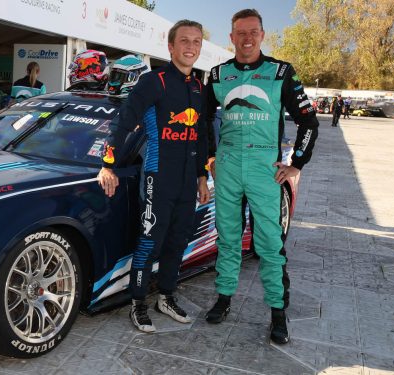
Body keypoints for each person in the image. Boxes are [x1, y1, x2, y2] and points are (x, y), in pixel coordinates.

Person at [203, 9, 319, 345]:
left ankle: (278, 314)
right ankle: (224, 298)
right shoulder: (217, 74)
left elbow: (308, 122)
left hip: (263, 168)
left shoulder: (280, 72)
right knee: (227, 236)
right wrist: (210, 155)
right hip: (226, 167)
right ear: (231, 37)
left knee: (269, 244)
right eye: (240, 32)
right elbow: (201, 118)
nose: (247, 39)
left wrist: (296, 162)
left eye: (253, 32)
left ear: (263, 35)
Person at [97, 20, 210, 333]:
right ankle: (137, 303)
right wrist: (108, 164)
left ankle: (167, 296)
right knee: (150, 241)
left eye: (196, 42)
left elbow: (200, 135)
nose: (191, 47)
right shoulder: (153, 81)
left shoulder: (198, 87)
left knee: (178, 241)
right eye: (184, 41)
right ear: (170, 46)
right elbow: (124, 122)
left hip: (188, 182)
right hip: (157, 178)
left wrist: (202, 176)